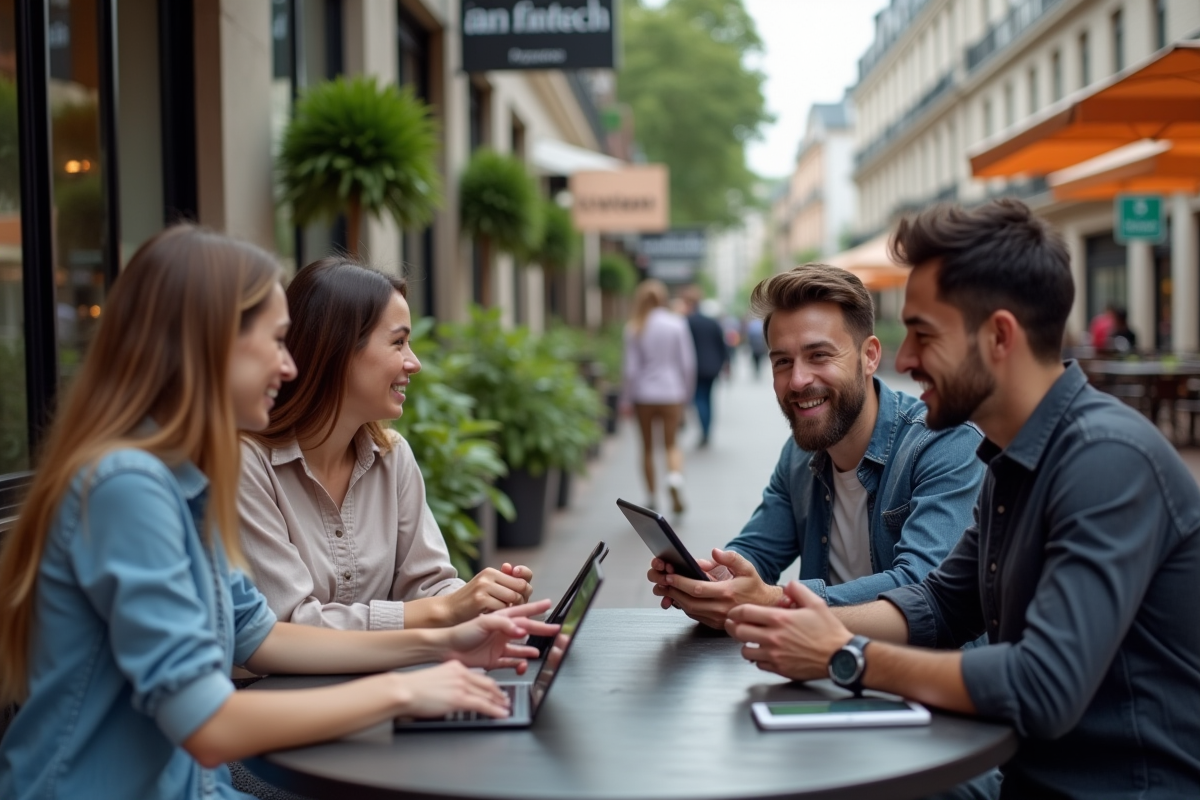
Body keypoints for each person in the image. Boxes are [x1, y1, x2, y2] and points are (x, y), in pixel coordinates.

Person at [0, 226, 557, 800]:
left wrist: (451, 642)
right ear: (210, 344)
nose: (290, 367)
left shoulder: (180, 482)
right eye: (275, 342)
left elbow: (263, 637)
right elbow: (208, 725)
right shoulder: (127, 489)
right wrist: (405, 693)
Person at [725, 200, 1200, 798]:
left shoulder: (1107, 459)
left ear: (999, 336)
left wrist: (846, 656)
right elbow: (939, 604)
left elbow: (1043, 686)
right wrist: (797, 623)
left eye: (923, 334)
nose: (904, 360)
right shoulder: (1012, 457)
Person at [649, 264, 985, 632]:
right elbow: (758, 550)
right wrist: (715, 581)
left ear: (869, 356)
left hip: (928, 683)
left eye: (819, 356)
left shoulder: (945, 441)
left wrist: (775, 601)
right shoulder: (800, 454)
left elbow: (924, 589)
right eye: (782, 361)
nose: (797, 380)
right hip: (824, 676)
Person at [238, 258, 532, 630]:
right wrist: (442, 610)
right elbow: (288, 624)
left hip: (384, 679)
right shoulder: (248, 463)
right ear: (338, 348)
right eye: (399, 342)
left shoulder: (393, 456)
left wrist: (483, 600)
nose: (415, 363)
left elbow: (428, 584)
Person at [621, 279, 696, 513]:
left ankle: (651, 498)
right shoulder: (676, 324)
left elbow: (630, 370)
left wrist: (625, 399)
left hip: (643, 394)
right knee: (671, 443)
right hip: (672, 392)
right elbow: (687, 363)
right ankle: (674, 477)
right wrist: (687, 394)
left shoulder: (634, 327)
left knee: (647, 448)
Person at [681, 285, 728, 447]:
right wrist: (726, 363)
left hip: (696, 368)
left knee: (699, 399)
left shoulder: (686, 322)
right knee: (708, 398)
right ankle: (707, 431)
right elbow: (722, 344)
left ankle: (705, 432)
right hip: (713, 367)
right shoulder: (711, 322)